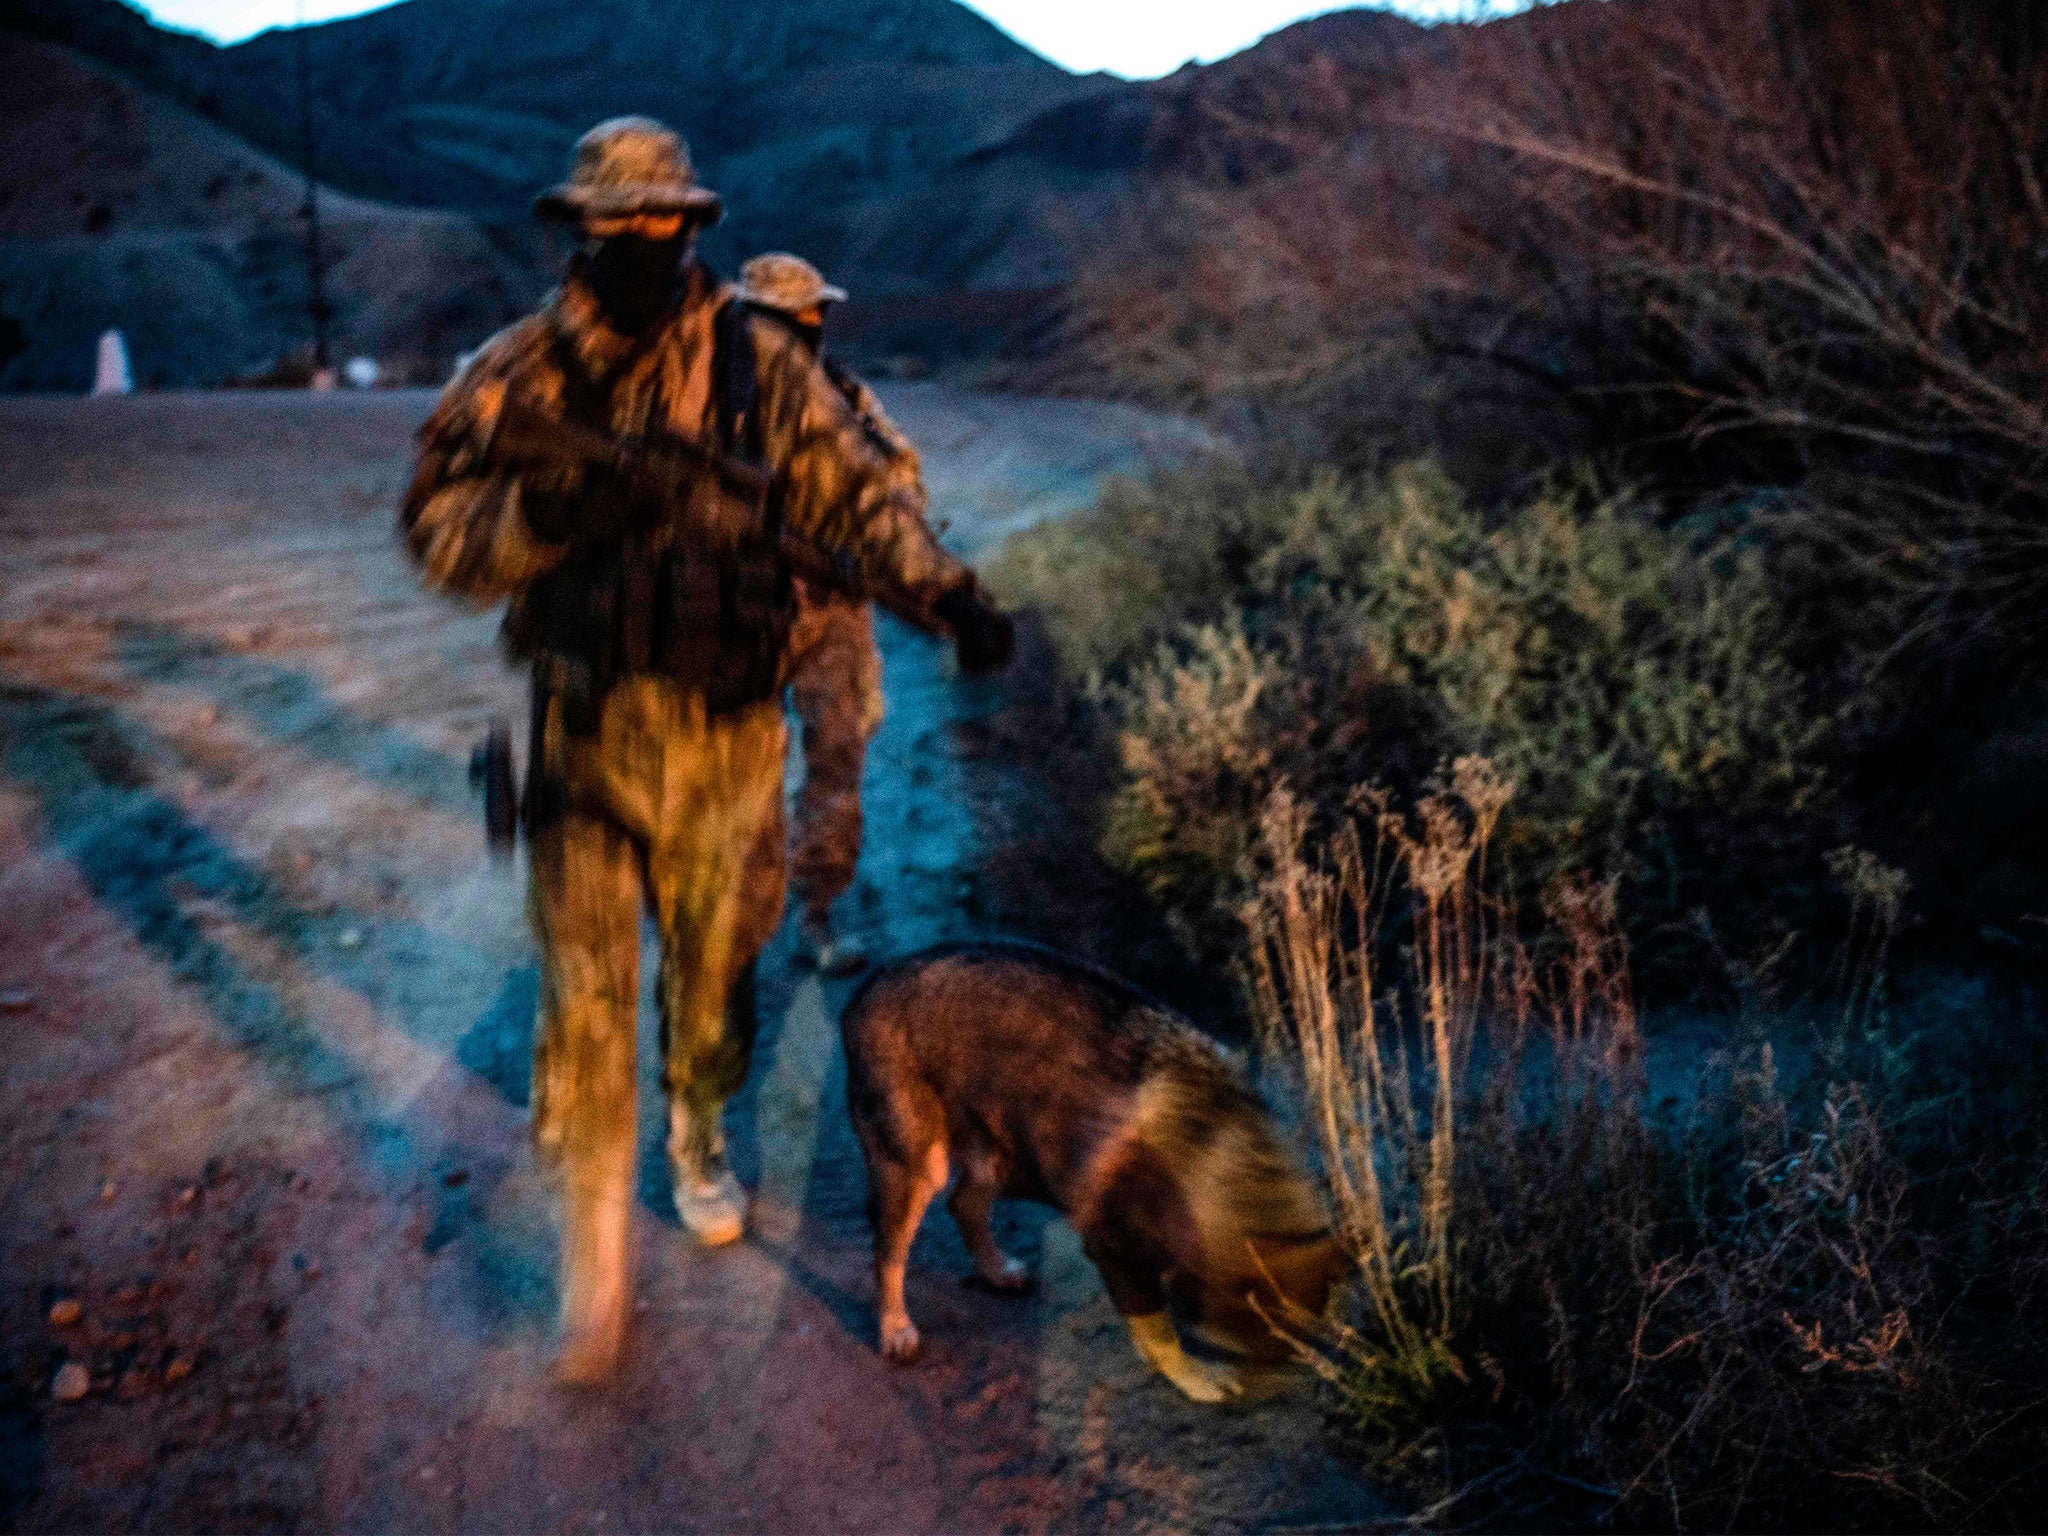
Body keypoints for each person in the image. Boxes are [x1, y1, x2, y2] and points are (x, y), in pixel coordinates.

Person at [397, 118, 1013, 1382]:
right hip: (584, 724)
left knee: (716, 974)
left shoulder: (757, 364)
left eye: (660, 224)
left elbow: (855, 492)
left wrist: (945, 593)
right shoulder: (518, 371)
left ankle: (696, 1127)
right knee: (582, 989)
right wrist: (551, 507)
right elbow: (439, 532)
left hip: (729, 736)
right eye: (614, 227)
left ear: (692, 224)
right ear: (578, 229)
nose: (638, 245)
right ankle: (592, 1264)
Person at [732, 252, 909, 976]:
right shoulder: (702, 406)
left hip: (832, 614)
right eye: (796, 318)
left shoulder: (844, 396)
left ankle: (817, 910)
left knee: (837, 759)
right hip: (739, 611)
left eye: (810, 318)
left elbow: (901, 483)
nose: (808, 329)